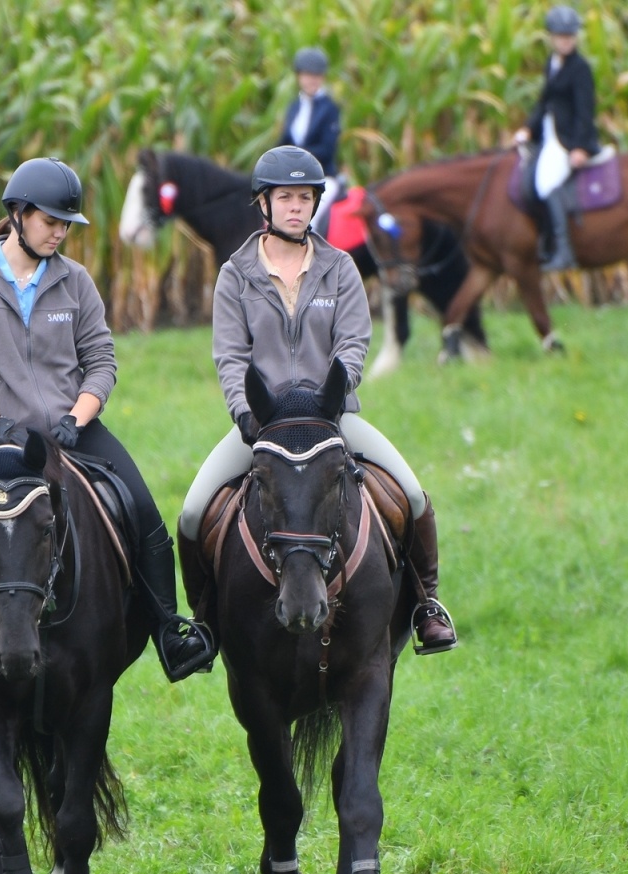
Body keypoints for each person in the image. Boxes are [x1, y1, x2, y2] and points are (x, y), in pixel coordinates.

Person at [0, 157, 215, 685]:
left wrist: (76, 416)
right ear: (17, 214)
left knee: (146, 517)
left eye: (67, 224)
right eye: (51, 221)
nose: (60, 232)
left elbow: (102, 362)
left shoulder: (76, 282)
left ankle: (167, 631)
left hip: (73, 433)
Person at [176, 146, 457, 654]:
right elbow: (230, 357)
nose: (296, 208)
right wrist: (246, 414)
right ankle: (204, 626)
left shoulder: (341, 268)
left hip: (331, 421)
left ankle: (426, 606)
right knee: (194, 514)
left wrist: (333, 394)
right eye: (285, 198)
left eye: (305, 198)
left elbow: (353, 342)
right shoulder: (235, 276)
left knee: (412, 498)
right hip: (263, 428)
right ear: (263, 204)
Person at [513, 5, 599, 272]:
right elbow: (544, 102)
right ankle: (543, 240)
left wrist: (580, 147)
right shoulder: (551, 64)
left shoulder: (580, 68)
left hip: (567, 141)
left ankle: (563, 251)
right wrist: (527, 128)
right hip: (548, 136)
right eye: (561, 36)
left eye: (570, 36)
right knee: (526, 177)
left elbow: (586, 111)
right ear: (551, 37)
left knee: (547, 183)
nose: (566, 41)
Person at [279, 47, 343, 236]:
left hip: (322, 176)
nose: (311, 80)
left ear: (322, 77)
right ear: (299, 76)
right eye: (307, 75)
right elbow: (285, 140)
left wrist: (295, 155)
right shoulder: (295, 106)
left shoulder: (330, 108)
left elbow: (327, 149)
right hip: (292, 175)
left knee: (308, 219)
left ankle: (309, 247)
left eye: (316, 76)